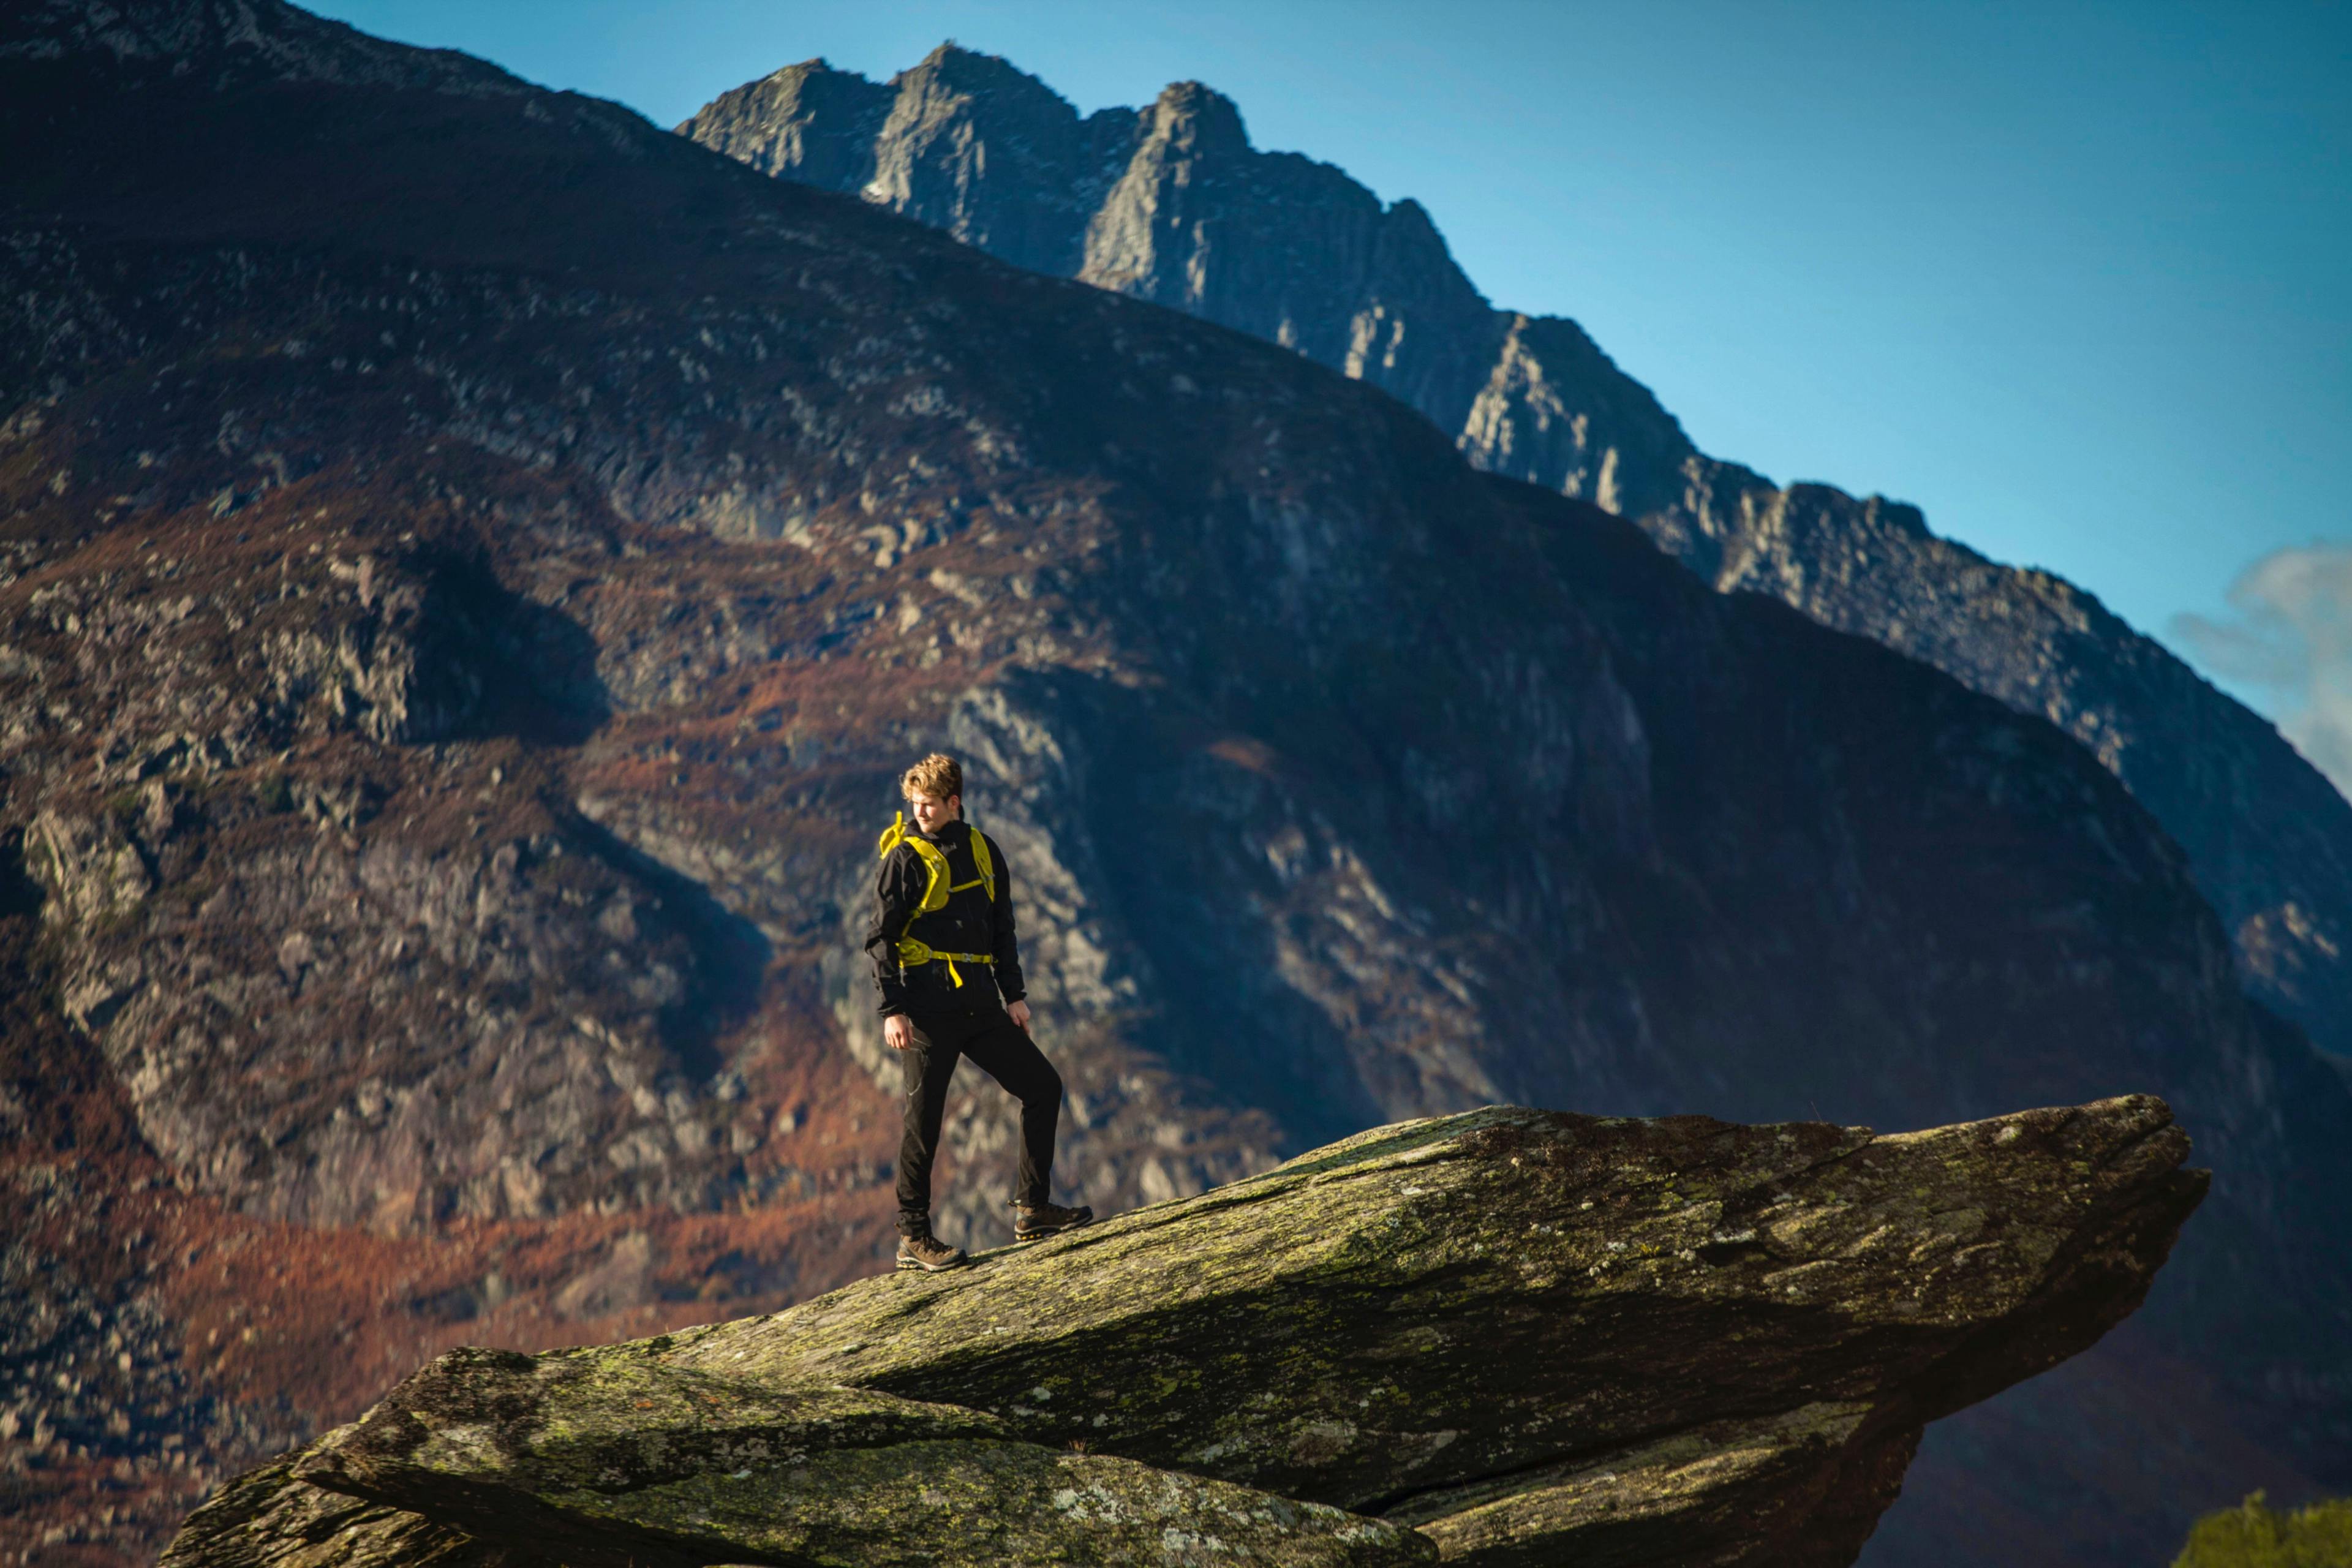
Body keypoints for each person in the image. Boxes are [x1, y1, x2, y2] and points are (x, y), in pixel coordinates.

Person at [866, 753, 1091, 1271]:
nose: (919, 814)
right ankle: (913, 1235)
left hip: (980, 1006)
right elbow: (879, 939)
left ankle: (1032, 1210)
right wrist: (892, 1010)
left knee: (1043, 1087)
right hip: (926, 1011)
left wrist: (1014, 996)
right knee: (923, 1123)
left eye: (928, 805)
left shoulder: (983, 850)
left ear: (954, 802)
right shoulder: (903, 859)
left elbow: (1001, 927)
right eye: (914, 805)